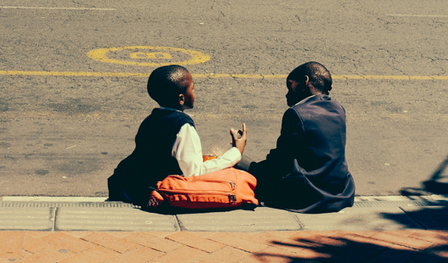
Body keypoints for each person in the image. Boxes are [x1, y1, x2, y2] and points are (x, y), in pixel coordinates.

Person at [108, 65, 248, 207]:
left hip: (128, 184)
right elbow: (193, 171)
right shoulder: (183, 126)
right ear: (181, 99)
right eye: (192, 89)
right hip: (151, 191)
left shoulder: (151, 119)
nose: (194, 93)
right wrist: (236, 152)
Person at [238, 62, 355, 213]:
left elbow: (280, 161)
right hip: (340, 191)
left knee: (240, 164)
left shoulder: (297, 113)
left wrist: (239, 154)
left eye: (290, 85)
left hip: (310, 194)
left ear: (305, 81)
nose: (287, 93)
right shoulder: (338, 108)